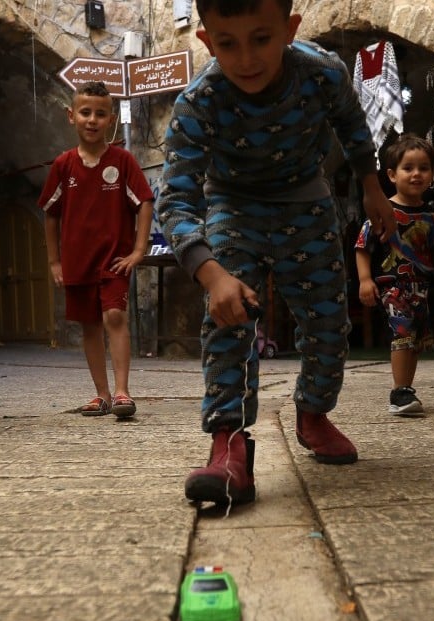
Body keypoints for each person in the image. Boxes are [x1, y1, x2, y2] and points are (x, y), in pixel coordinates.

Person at [156, 0, 398, 507]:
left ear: (290, 30)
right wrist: (210, 272)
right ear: (207, 41)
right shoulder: (200, 101)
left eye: (261, 39)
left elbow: (353, 125)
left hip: (306, 202)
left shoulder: (323, 73)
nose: (246, 58)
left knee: (328, 322)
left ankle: (313, 414)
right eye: (227, 43)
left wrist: (372, 187)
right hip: (232, 206)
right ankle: (228, 444)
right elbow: (176, 197)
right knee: (226, 320)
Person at [39, 82, 154, 418]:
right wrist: (54, 261)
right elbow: (50, 213)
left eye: (100, 114)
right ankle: (101, 394)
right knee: (89, 325)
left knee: (114, 316)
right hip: (77, 262)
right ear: (71, 116)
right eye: (85, 112)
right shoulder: (63, 164)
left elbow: (144, 202)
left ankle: (122, 392)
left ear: (111, 118)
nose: (92, 119)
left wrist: (138, 249)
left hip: (114, 260)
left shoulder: (123, 160)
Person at [355, 135, 434, 417]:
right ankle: (399, 391)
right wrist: (365, 280)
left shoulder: (432, 217)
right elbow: (363, 247)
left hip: (421, 289)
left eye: (424, 168)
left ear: (432, 175)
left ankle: (406, 390)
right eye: (408, 168)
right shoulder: (383, 212)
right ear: (392, 174)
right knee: (402, 332)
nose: (417, 174)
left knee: (414, 339)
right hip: (393, 287)